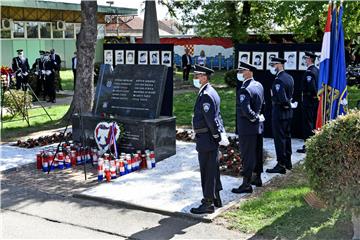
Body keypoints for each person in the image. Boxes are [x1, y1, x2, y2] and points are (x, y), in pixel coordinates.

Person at [191, 64, 229, 214]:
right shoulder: (210, 91)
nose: (196, 78)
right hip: (208, 137)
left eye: (198, 75)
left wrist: (215, 136)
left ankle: (208, 203)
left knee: (207, 170)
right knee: (212, 169)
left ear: (204, 77)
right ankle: (216, 197)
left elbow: (211, 119)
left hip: (206, 138)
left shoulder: (206, 94)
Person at [232, 62, 265, 194]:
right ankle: (257, 178)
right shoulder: (259, 85)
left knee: (247, 155)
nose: (240, 73)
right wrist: (258, 118)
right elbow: (263, 104)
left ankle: (246, 183)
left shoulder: (245, 88)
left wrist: (254, 117)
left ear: (249, 72)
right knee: (257, 152)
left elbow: (246, 110)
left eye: (242, 70)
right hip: (257, 127)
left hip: (247, 127)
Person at [266, 57, 294, 174]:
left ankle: (281, 164)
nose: (273, 67)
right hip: (288, 113)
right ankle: (288, 161)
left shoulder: (279, 80)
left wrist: (272, 96)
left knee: (280, 139)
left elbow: (282, 99)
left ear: (279, 65)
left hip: (280, 113)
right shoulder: (289, 77)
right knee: (287, 137)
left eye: (274, 65)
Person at [297, 52, 319, 153]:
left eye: (306, 58)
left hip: (309, 102)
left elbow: (312, 88)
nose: (305, 60)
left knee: (308, 124)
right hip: (314, 102)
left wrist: (311, 96)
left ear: (309, 59)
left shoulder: (310, 72)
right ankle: (313, 144)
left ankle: (308, 146)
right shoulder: (317, 70)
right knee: (313, 122)